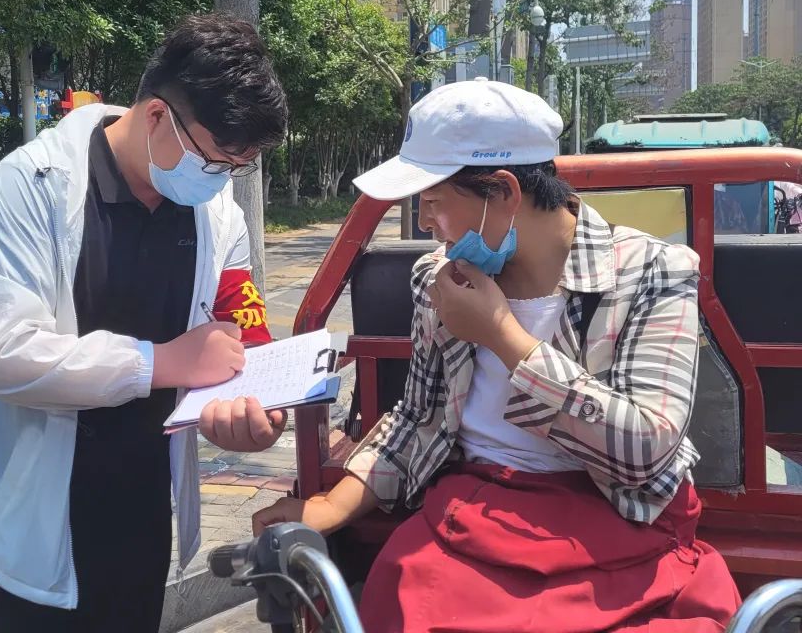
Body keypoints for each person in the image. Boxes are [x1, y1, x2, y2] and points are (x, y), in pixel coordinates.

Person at [254, 79, 741, 632]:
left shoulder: (653, 271)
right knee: (405, 599)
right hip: (476, 515)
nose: (425, 222)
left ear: (504, 192)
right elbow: (419, 416)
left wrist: (503, 336)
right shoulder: (440, 279)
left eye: (434, 201)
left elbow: (646, 449)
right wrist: (329, 507)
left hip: (618, 521)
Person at [0, 13, 289, 632]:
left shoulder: (215, 216)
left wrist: (256, 408)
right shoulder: (29, 186)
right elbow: (1, 353)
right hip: (15, 524)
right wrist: (162, 362)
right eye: (215, 161)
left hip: (136, 516)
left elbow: (238, 323)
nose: (219, 181)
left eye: (234, 169)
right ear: (158, 116)